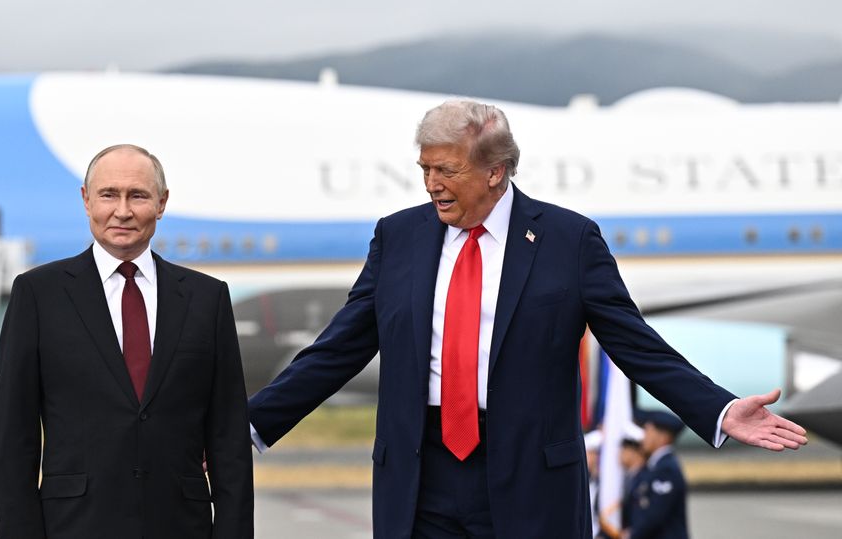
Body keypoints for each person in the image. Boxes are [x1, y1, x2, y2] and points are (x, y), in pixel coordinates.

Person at [247, 100, 808, 538]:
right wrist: (245, 426)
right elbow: (338, 348)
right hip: (419, 477)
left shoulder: (569, 240)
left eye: (446, 170)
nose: (431, 184)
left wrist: (718, 408)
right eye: (425, 169)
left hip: (530, 479)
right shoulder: (399, 237)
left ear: (496, 171)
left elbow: (635, 344)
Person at [0, 144, 253, 539]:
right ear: (86, 200)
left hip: (181, 526)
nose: (123, 211)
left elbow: (228, 440)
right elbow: (14, 440)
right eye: (109, 194)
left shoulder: (207, 298)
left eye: (138, 195)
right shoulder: (38, 295)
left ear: (162, 203)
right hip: (74, 527)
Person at [626, 411, 690, 539]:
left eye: (648, 431)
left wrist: (632, 534)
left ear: (663, 437)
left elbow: (655, 513)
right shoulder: (653, 466)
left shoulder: (667, 469)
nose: (643, 437)